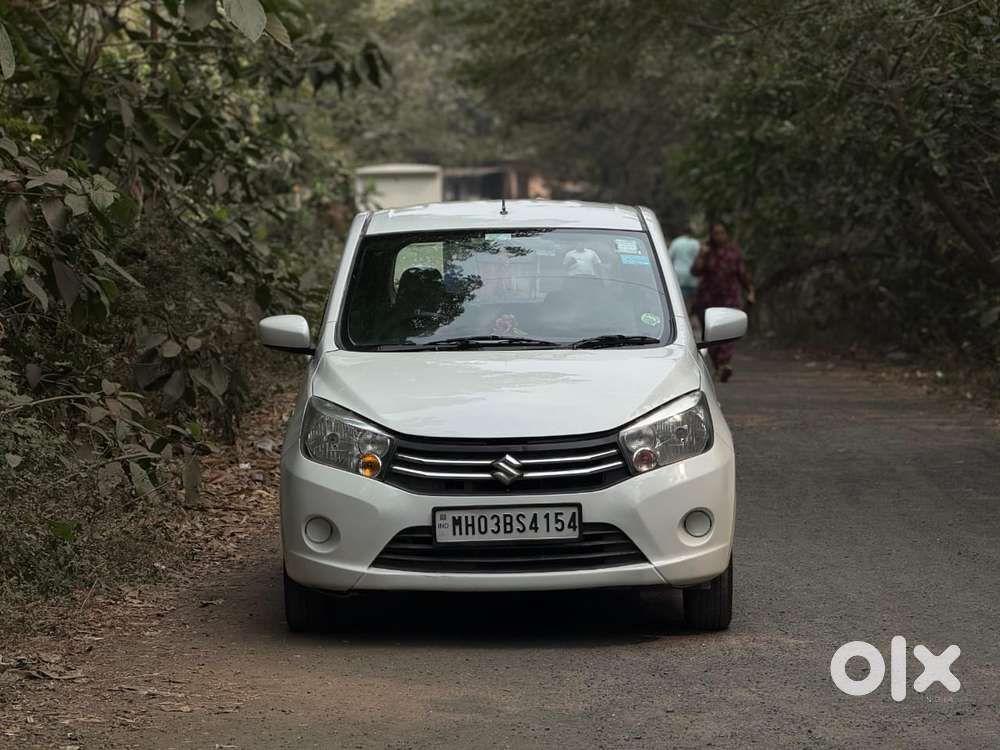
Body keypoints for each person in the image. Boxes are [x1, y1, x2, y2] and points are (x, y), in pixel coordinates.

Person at [691, 221, 755, 382]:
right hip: (708, 298)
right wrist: (702, 255)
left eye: (722, 233)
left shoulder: (733, 252)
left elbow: (742, 273)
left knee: (729, 331)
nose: (719, 236)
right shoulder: (707, 252)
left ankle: (725, 362)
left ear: (727, 234)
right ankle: (720, 366)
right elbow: (695, 271)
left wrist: (750, 290)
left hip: (730, 297)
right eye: (716, 233)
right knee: (711, 334)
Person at [668, 226, 700, 311]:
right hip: (693, 277)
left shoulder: (676, 242)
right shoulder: (696, 243)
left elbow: (669, 257)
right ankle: (689, 315)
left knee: (680, 302)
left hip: (679, 275)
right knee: (691, 302)